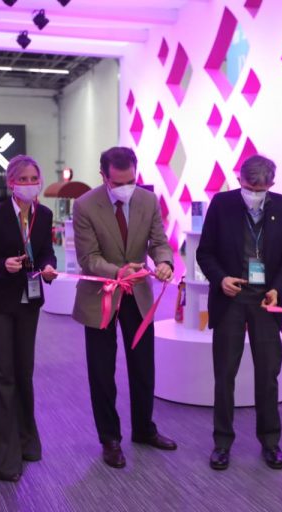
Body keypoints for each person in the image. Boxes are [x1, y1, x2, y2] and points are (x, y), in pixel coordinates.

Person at [195, 155, 282, 471]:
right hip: (231, 299)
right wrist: (220, 279)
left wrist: (277, 288)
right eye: (248, 187)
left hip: (265, 302)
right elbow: (205, 252)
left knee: (268, 375)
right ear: (239, 179)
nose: (253, 194)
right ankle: (222, 443)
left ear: (271, 184)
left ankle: (270, 442)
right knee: (224, 374)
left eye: (260, 189)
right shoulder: (222, 204)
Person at [72, 146, 175, 469]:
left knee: (143, 366)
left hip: (139, 294)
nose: (126, 188)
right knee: (102, 370)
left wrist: (164, 261)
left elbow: (159, 241)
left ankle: (144, 429)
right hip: (101, 294)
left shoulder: (148, 200)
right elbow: (88, 258)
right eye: (118, 183)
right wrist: (118, 272)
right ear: (103, 176)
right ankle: (110, 439)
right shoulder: (85, 205)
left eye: (131, 181)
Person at [0, 155, 57, 482]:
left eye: (33, 178)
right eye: (22, 179)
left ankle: (26, 441)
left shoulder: (44, 214)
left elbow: (46, 250)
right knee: (0, 375)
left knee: (24, 372)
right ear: (11, 182)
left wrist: (49, 266)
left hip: (29, 302)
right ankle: (2, 459)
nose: (28, 184)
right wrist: (3, 265)